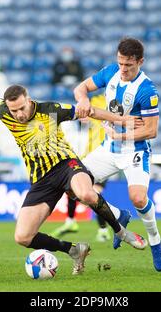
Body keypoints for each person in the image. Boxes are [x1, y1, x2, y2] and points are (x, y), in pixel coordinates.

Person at [0, 65, 148, 275]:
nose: (19, 114)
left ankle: (122, 232)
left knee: (85, 193)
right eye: (14, 110)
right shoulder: (4, 111)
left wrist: (124, 120)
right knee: (22, 237)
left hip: (67, 165)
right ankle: (74, 250)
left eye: (22, 108)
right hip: (41, 179)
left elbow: (91, 111)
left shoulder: (50, 109)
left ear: (28, 100)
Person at [73, 37, 161, 272]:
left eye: (129, 65)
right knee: (73, 185)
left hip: (135, 151)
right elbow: (80, 88)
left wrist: (120, 137)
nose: (123, 70)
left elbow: (151, 130)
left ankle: (156, 243)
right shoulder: (111, 72)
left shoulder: (147, 90)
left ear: (140, 62)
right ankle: (118, 216)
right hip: (108, 149)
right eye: (121, 63)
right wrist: (83, 101)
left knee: (138, 198)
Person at [50, 94, 112, 242]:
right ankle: (71, 222)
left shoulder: (107, 107)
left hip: (103, 159)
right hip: (86, 159)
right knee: (71, 187)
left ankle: (103, 229)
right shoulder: (86, 123)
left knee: (93, 193)